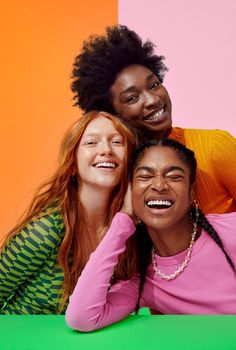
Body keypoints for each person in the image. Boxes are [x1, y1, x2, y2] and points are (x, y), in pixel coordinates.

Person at [65, 139, 236, 332]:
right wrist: (123, 220)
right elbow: (81, 318)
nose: (159, 185)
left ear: (190, 192)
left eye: (174, 177)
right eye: (145, 177)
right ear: (130, 192)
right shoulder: (146, 284)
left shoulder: (230, 231)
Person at [70, 24, 236, 215]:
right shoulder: (116, 170)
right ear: (112, 114)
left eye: (154, 84)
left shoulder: (214, 146)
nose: (153, 100)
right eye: (132, 98)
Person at [0, 111, 138, 314]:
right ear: (73, 163)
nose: (106, 150)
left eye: (117, 142)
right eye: (91, 143)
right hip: (21, 342)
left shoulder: (130, 230)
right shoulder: (47, 229)